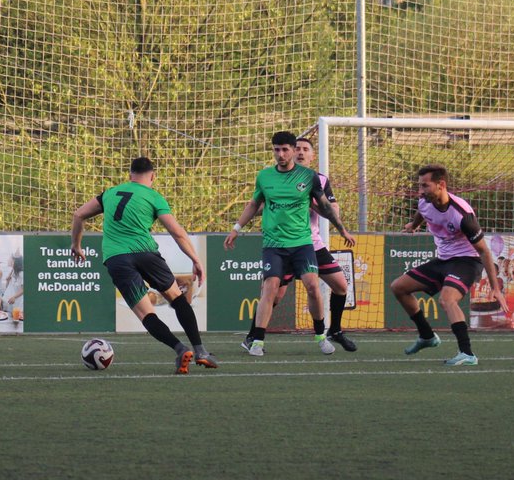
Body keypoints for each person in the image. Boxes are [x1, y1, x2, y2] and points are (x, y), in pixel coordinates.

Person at [71, 156, 215, 374]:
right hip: (146, 253)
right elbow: (176, 232)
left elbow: (79, 214)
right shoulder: (154, 196)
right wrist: (196, 260)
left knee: (145, 313)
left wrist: (76, 245)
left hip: (117, 258)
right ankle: (201, 351)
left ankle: (179, 349)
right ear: (152, 177)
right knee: (176, 297)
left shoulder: (110, 193)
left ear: (130, 175)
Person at [225, 131, 354, 357]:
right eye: (277, 149)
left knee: (319, 286)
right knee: (271, 290)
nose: (281, 154)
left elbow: (326, 207)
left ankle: (325, 334)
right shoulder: (265, 176)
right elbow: (255, 204)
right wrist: (236, 228)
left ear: (297, 151)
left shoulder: (312, 177)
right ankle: (256, 340)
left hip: (306, 243)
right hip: (274, 244)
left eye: (286, 149)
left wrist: (341, 228)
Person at [390, 164, 508, 366]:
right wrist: (413, 225)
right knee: (398, 287)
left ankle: (467, 353)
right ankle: (427, 336)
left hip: (467, 261)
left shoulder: (462, 216)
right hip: (443, 260)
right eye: (420, 186)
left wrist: (495, 288)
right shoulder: (424, 201)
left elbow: (484, 251)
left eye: (425, 186)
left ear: (441, 185)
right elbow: (422, 211)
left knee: (447, 300)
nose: (421, 191)